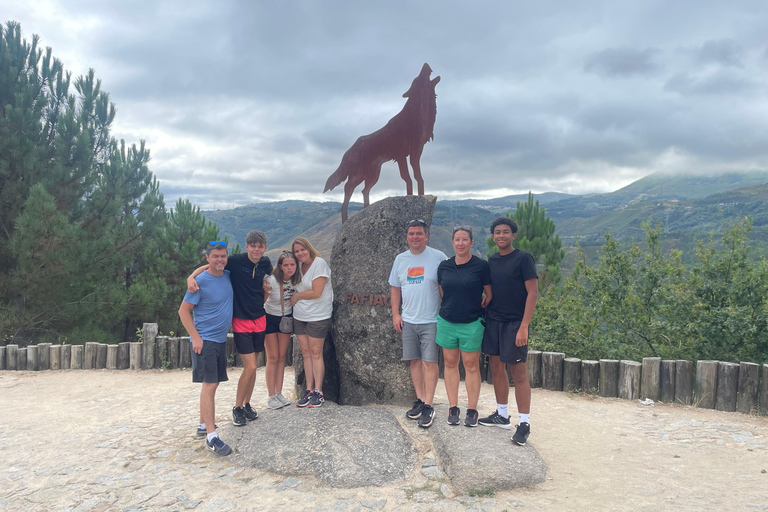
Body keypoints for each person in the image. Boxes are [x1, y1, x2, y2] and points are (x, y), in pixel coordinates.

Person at [188, 230, 272, 427]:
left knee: (254, 368)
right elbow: (211, 265)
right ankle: (236, 407)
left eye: (260, 246)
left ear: (265, 248)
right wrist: (191, 276)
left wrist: (268, 288)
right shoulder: (234, 261)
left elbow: (274, 277)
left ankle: (246, 404)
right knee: (250, 366)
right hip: (241, 320)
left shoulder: (266, 263)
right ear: (247, 246)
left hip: (259, 318)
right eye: (253, 245)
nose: (256, 249)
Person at [478, 217, 538, 446]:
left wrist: (524, 326)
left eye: (505, 232)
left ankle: (524, 424)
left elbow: (532, 293)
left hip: (515, 323)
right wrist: (486, 299)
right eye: (497, 232)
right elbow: (492, 288)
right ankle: (502, 415)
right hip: (493, 320)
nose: (501, 236)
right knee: (496, 367)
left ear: (514, 235)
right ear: (493, 236)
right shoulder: (491, 260)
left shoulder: (523, 259)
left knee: (519, 373)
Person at [389, 219, 447, 428]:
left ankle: (429, 405)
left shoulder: (438, 257)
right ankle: (420, 400)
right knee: (414, 361)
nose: (415, 237)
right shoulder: (400, 259)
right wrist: (396, 314)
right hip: (409, 320)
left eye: (419, 233)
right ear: (407, 236)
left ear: (426, 236)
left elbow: (447, 285)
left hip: (431, 319)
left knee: (430, 363)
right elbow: (395, 288)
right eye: (411, 233)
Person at [178, 241, 234, 456]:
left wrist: (192, 273)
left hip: (219, 340)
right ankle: (212, 437)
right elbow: (183, 312)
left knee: (213, 382)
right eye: (215, 256)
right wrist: (196, 338)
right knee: (209, 385)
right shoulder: (199, 283)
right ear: (208, 258)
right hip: (206, 340)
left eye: (223, 256)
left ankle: (203, 425)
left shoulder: (226, 275)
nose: (219, 259)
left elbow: (214, 268)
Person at [436, 226, 492, 427]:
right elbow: (443, 291)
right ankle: (453, 407)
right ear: (452, 242)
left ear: (471, 243)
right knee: (450, 364)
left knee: (471, 365)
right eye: (457, 239)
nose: (461, 243)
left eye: (465, 239)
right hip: (447, 321)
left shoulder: (481, 266)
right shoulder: (444, 266)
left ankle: (472, 409)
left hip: (472, 322)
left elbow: (489, 293)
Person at [290, 237, 333, 408]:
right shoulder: (298, 266)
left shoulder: (319, 264)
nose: (300, 253)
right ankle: (308, 390)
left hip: (318, 315)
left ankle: (318, 391)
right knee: (306, 354)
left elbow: (317, 292)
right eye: (296, 251)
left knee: (316, 353)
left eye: (302, 250)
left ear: (309, 248)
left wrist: (297, 296)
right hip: (300, 315)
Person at [262, 250, 300, 409]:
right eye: (286, 265)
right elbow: (262, 302)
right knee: (272, 357)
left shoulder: (297, 281)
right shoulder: (270, 281)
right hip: (270, 318)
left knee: (281, 357)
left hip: (286, 319)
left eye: (292, 264)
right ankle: (271, 395)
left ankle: (279, 393)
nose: (290, 268)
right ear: (280, 266)